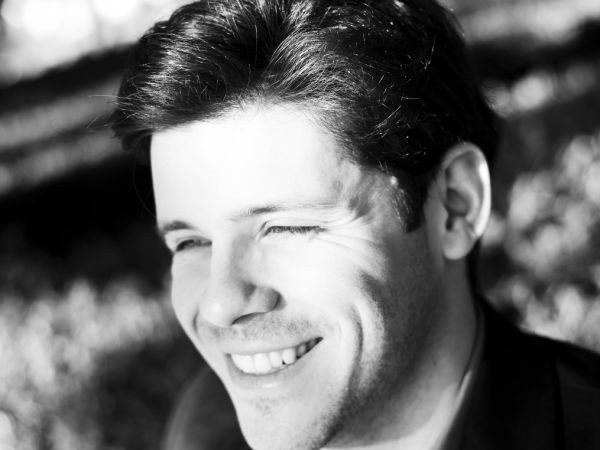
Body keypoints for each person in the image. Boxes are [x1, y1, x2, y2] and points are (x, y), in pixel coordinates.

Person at [110, 0, 600, 449]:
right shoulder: (208, 425)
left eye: (285, 228)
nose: (220, 305)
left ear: (455, 205)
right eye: (191, 242)